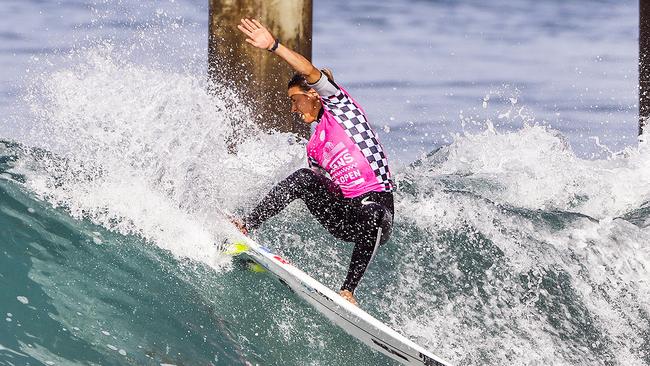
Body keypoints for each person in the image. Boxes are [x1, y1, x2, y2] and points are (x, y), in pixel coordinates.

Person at [233, 18, 394, 305]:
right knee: (305, 178)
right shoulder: (314, 145)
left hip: (377, 209)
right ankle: (245, 225)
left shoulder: (341, 107)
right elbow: (322, 186)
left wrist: (274, 46)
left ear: (313, 95)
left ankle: (348, 292)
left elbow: (307, 70)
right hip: (345, 215)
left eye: (295, 101)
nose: (294, 109)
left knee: (371, 212)